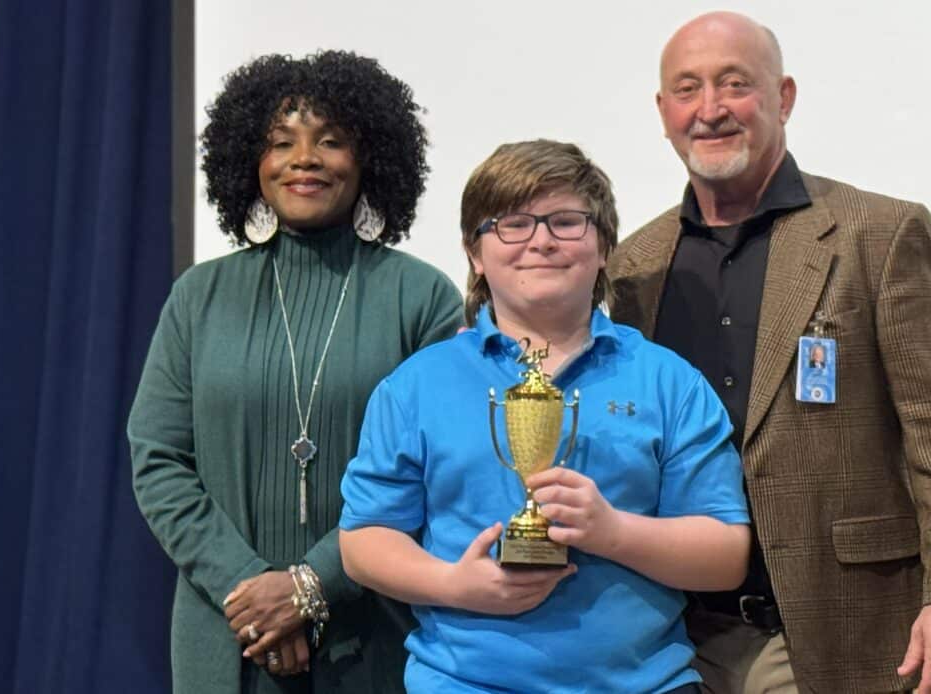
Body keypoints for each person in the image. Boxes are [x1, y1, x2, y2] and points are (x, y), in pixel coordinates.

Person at [607, 11, 931, 694]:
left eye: (735, 84)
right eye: (688, 89)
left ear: (783, 97)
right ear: (663, 111)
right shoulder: (634, 266)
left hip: (838, 631)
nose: (710, 109)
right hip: (671, 642)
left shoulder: (879, 235)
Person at [337, 140, 752, 694]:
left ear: (603, 247)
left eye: (566, 221)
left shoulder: (668, 381)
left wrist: (613, 532)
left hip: (646, 685)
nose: (541, 241)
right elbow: (365, 540)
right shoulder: (415, 385)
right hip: (464, 684)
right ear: (475, 254)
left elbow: (725, 556)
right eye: (512, 224)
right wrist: (456, 584)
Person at [128, 51, 463, 694]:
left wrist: (311, 587)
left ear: (369, 159)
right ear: (250, 163)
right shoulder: (199, 297)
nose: (304, 159)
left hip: (375, 639)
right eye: (281, 142)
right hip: (228, 635)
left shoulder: (422, 298)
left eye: (330, 141)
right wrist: (254, 592)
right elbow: (159, 459)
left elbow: (432, 468)